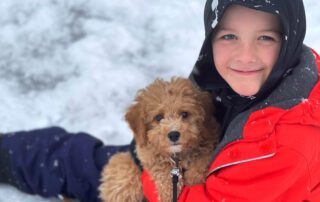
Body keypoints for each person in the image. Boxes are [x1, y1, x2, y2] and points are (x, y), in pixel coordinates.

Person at [1, 0, 320, 201]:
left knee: (100, 172)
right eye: (229, 36)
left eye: (265, 37)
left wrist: (146, 172)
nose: (245, 55)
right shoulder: (280, 75)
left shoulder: (284, 147)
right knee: (80, 160)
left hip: (187, 187)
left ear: (289, 40)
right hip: (186, 163)